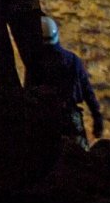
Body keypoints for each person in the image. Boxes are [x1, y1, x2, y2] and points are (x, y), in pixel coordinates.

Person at [40, 17, 104, 145]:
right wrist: (97, 119)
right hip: (71, 120)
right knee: (78, 160)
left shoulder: (37, 64)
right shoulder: (73, 60)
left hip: (45, 121)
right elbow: (87, 91)